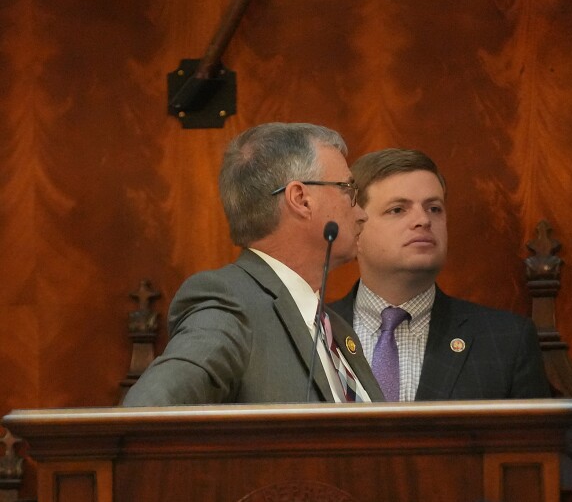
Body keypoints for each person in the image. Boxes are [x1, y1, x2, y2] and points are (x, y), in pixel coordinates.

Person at [123, 123, 385, 406]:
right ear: (301, 199)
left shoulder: (337, 331)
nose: (361, 214)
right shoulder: (231, 305)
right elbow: (147, 411)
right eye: (348, 189)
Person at [329, 148, 550, 401]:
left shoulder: (507, 341)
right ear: (355, 228)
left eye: (434, 208)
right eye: (398, 210)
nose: (423, 220)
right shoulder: (314, 332)